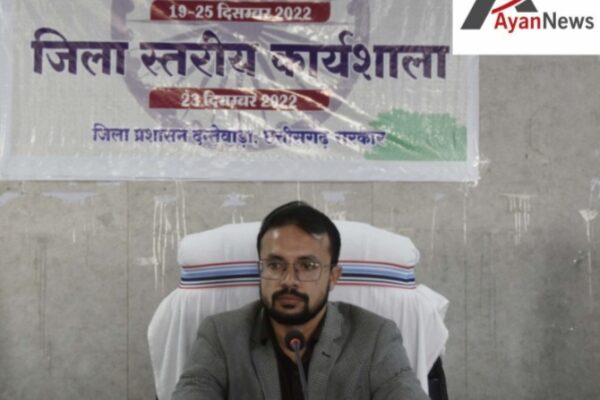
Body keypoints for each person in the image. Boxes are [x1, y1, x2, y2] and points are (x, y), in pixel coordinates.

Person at [172, 201, 429, 400]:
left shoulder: (374, 337)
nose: (288, 281)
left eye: (307, 266)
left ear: (333, 277)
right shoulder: (221, 334)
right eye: (275, 265)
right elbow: (194, 389)